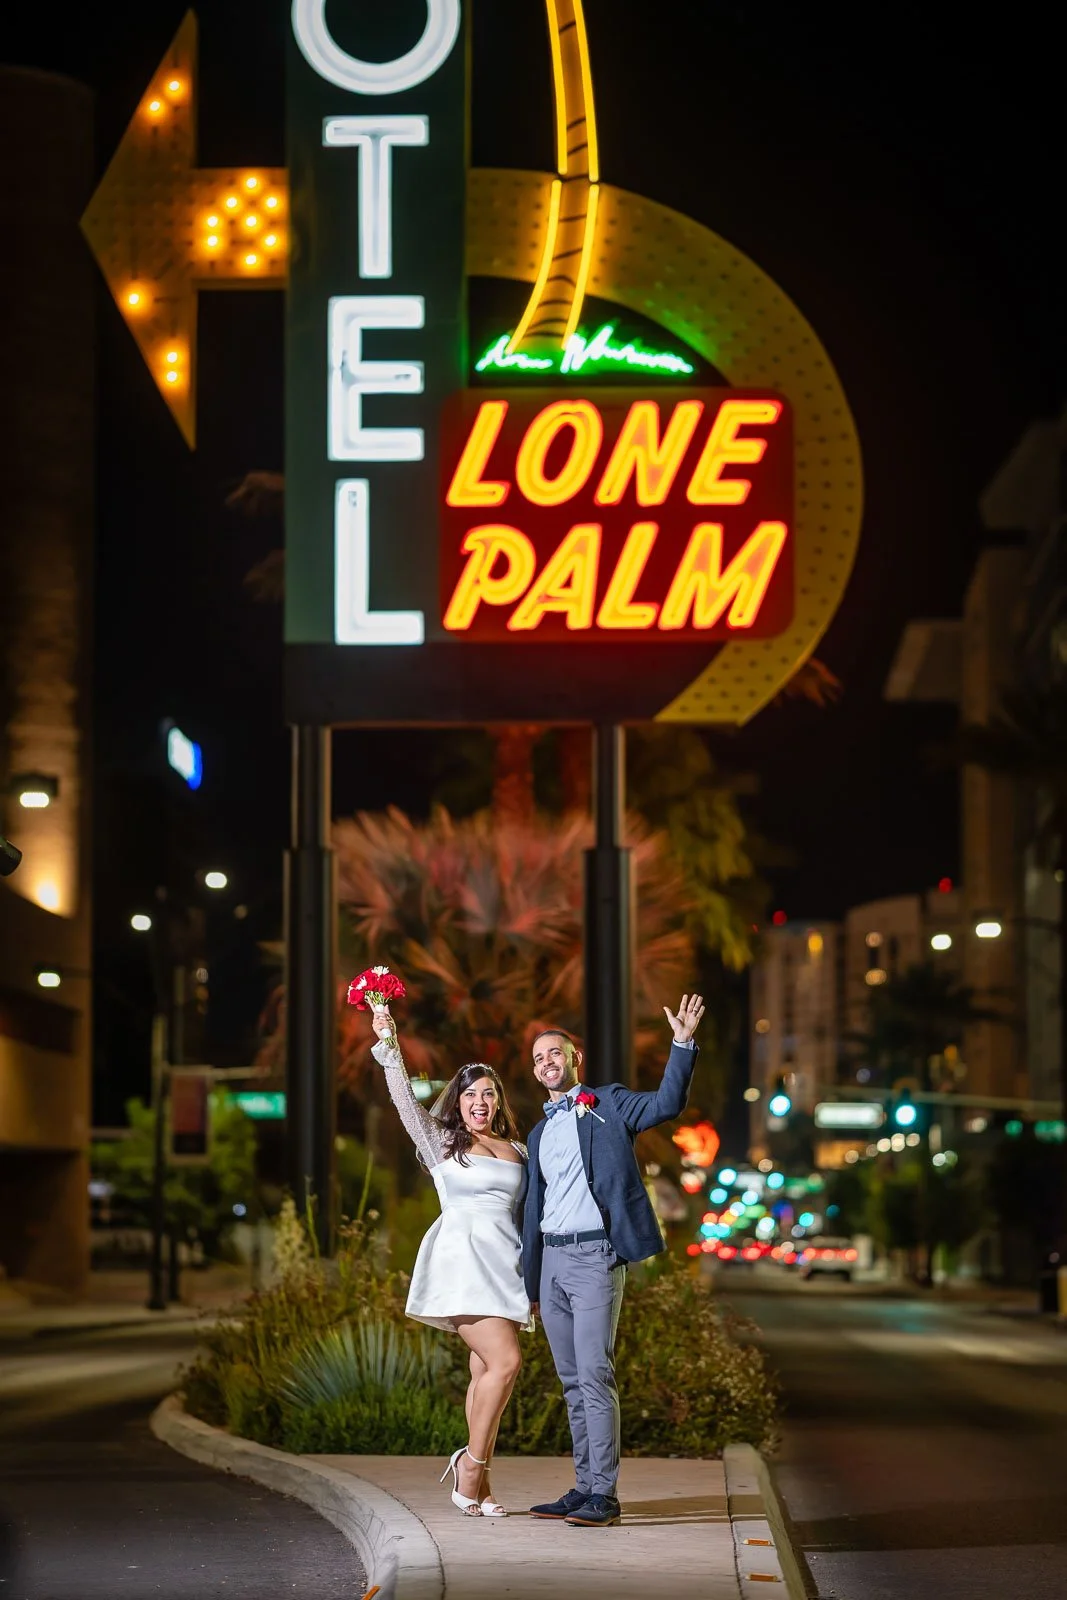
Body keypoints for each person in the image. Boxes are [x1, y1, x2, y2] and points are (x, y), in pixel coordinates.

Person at [522, 992, 704, 1528]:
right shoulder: (538, 1132)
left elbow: (667, 1103)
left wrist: (683, 1043)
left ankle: (605, 1494)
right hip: (552, 1264)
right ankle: (584, 1486)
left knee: (595, 1374)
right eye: (537, 1059)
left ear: (574, 1057)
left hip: (595, 1255)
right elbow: (534, 1210)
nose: (547, 1063)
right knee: (571, 1379)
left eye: (554, 1053)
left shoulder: (609, 1104)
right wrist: (532, 1285)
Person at [370, 1007, 530, 1519]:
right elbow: (402, 1100)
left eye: (488, 1093)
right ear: (457, 1102)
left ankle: (480, 1488)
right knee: (506, 1363)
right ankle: (472, 1466)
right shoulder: (440, 1143)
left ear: (498, 1100)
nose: (480, 1102)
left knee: (485, 1369)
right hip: (461, 1259)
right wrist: (388, 1041)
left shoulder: (518, 1149)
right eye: (470, 1094)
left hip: (508, 1264)